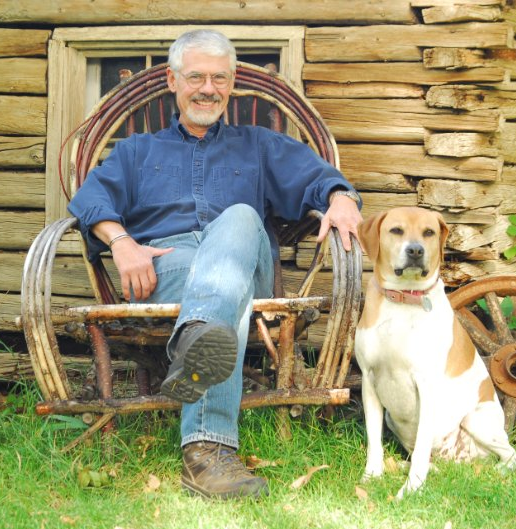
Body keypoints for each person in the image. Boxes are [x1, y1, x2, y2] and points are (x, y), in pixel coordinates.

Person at [68, 29, 362, 499]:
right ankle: (207, 456)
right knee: (228, 296)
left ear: (231, 84)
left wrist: (342, 199)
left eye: (219, 78)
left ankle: (197, 342)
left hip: (246, 257)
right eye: (197, 77)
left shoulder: (260, 145)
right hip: (167, 269)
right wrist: (121, 242)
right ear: (172, 80)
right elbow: (89, 200)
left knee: (242, 218)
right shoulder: (136, 151)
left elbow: (320, 179)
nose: (208, 88)